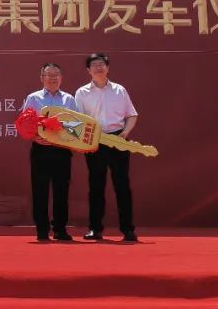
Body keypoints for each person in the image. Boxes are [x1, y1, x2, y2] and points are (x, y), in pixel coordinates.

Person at [74, 52, 139, 242]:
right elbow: (78, 121)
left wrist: (125, 133)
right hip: (95, 142)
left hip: (118, 139)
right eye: (94, 65)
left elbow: (132, 115)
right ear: (88, 70)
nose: (98, 67)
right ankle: (95, 229)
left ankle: (128, 230)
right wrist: (85, 143)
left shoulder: (120, 90)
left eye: (101, 64)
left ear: (107, 68)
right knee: (96, 186)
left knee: (122, 186)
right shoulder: (82, 92)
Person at [20, 63, 78, 242]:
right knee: (40, 191)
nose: (52, 78)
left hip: (62, 150)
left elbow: (77, 125)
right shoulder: (33, 98)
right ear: (42, 78)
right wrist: (34, 137)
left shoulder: (69, 99)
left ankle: (60, 229)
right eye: (49, 75)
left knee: (62, 191)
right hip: (41, 149)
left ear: (61, 78)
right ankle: (42, 230)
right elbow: (24, 123)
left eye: (56, 75)